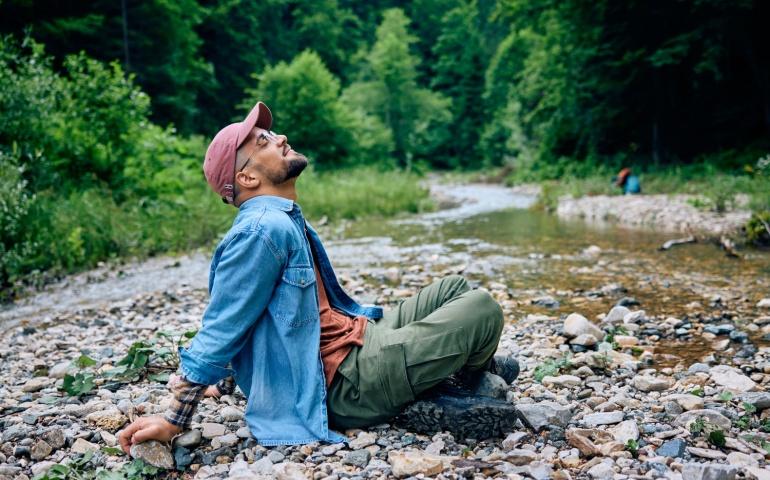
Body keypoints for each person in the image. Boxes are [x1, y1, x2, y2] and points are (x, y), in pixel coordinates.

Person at [118, 101, 519, 453]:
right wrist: (175, 419)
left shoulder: (278, 217)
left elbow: (255, 316)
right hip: (342, 383)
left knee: (454, 289)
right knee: (481, 309)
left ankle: (449, 378)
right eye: (262, 142)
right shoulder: (261, 230)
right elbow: (223, 324)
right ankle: (457, 383)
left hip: (356, 337)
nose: (279, 138)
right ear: (247, 179)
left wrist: (225, 381)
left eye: (270, 134)